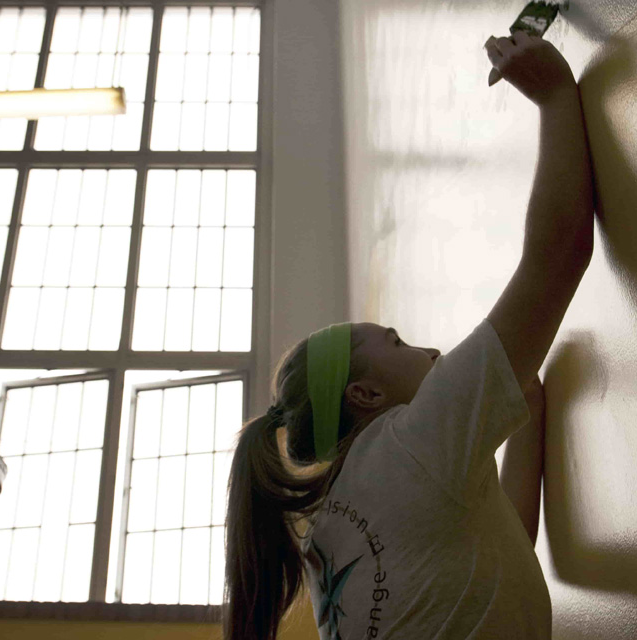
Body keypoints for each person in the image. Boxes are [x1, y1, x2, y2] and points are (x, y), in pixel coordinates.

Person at [223, 29, 595, 640]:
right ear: (365, 396)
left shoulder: (331, 529)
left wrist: (521, 395)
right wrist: (556, 95)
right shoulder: (409, 443)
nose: (429, 351)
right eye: (396, 344)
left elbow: (497, 545)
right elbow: (558, 255)